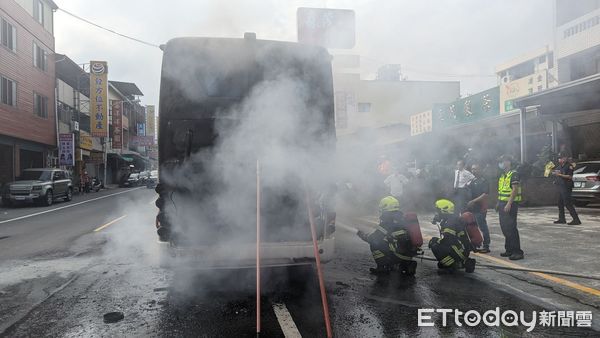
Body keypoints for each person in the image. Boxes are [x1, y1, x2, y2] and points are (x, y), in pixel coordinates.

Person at [357, 196, 419, 275]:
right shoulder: (403, 218)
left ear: (385, 208)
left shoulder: (387, 221)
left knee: (375, 244)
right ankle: (405, 265)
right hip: (409, 254)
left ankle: (382, 267)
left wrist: (363, 236)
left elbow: (374, 238)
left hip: (398, 254)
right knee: (388, 241)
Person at [428, 199, 477, 273]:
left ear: (444, 210)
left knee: (434, 244)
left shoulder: (449, 223)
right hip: (462, 249)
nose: (437, 213)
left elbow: (448, 241)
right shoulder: (452, 219)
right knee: (437, 242)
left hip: (459, 251)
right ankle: (452, 263)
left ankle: (454, 265)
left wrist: (436, 241)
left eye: (438, 210)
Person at [496, 155, 524, 260]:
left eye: (502, 161)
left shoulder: (514, 174)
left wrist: (509, 203)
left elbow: (515, 190)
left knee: (511, 227)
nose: (501, 164)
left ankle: (518, 252)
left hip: (510, 205)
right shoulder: (503, 175)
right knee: (505, 227)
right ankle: (509, 249)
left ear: (508, 162)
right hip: (503, 203)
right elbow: (501, 190)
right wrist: (498, 202)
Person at [467, 163, 491, 253]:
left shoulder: (484, 181)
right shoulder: (473, 180)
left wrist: (473, 201)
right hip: (472, 208)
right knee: (473, 227)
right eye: (472, 169)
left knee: (483, 227)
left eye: (476, 169)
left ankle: (486, 246)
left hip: (480, 208)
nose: (474, 171)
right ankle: (475, 244)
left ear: (480, 170)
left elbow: (485, 194)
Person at [552, 152, 581, 225]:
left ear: (565, 158)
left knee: (567, 203)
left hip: (567, 187)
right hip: (561, 187)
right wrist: (555, 178)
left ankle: (576, 219)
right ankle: (562, 219)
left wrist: (560, 175)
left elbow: (569, 176)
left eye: (561, 158)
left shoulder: (569, 166)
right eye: (559, 158)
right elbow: (557, 175)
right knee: (560, 203)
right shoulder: (559, 167)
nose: (560, 159)